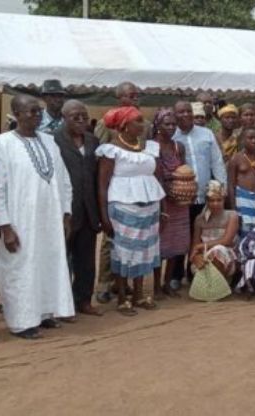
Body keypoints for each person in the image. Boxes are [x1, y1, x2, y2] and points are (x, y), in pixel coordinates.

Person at [0, 94, 75, 339]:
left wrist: (66, 214)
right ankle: (21, 321)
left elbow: (64, 179)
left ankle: (45, 313)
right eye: (31, 111)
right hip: (20, 220)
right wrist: (5, 226)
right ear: (16, 114)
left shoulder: (50, 141)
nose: (37, 115)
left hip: (50, 218)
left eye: (38, 111)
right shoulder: (1, 144)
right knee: (21, 267)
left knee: (48, 263)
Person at [97, 106, 165, 316]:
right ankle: (121, 298)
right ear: (124, 125)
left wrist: (161, 209)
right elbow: (102, 185)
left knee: (144, 250)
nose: (142, 124)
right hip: (122, 207)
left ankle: (137, 294)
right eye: (137, 120)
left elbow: (156, 177)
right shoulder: (112, 150)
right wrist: (104, 216)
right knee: (123, 251)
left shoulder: (147, 147)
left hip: (149, 207)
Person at [94, 81, 152, 303]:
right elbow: (99, 154)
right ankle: (104, 284)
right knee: (112, 241)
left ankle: (124, 284)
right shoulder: (106, 123)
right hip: (115, 189)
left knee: (133, 241)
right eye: (130, 94)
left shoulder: (144, 124)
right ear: (120, 98)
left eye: (137, 94)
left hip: (137, 192)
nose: (135, 97)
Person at [53, 100, 102, 316]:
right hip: (64, 211)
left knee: (86, 261)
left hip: (89, 210)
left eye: (84, 115)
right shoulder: (53, 141)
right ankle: (59, 305)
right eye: (75, 117)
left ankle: (83, 300)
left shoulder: (93, 140)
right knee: (60, 259)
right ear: (64, 118)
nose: (81, 120)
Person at [171, 101, 227, 290]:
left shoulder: (206, 134)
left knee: (200, 237)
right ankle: (175, 276)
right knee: (180, 237)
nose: (185, 115)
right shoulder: (171, 136)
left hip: (204, 196)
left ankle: (193, 271)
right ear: (175, 114)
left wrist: (220, 187)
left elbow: (217, 162)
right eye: (181, 111)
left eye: (189, 111)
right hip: (180, 199)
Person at [152, 108, 190, 297]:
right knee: (160, 245)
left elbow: (183, 170)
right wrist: (164, 196)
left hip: (179, 200)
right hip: (160, 200)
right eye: (167, 124)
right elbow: (152, 175)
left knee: (176, 243)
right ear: (158, 126)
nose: (171, 127)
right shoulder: (151, 147)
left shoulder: (178, 147)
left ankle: (167, 283)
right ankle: (156, 287)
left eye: (174, 124)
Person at [189, 180, 239, 284]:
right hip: (205, 258)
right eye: (211, 200)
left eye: (218, 200)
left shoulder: (232, 216)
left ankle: (220, 284)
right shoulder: (199, 219)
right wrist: (196, 256)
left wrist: (201, 246)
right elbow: (195, 246)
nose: (215, 204)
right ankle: (209, 284)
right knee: (200, 260)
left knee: (218, 250)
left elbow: (227, 241)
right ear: (206, 201)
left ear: (224, 200)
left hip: (227, 259)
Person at [228, 127, 255, 237]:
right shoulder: (236, 159)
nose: (254, 141)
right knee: (243, 231)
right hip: (242, 199)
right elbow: (231, 185)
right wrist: (234, 209)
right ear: (242, 140)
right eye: (250, 138)